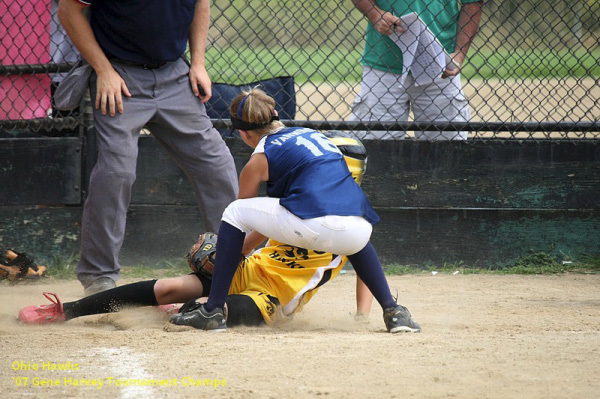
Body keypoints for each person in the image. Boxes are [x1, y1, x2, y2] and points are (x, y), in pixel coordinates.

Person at [17, 133, 393, 330]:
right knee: (168, 287)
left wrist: (363, 316)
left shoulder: (353, 219)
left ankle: (178, 312)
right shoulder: (301, 196)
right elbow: (259, 229)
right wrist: (229, 256)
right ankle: (66, 310)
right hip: (251, 270)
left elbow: (364, 262)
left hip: (273, 298)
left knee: (202, 311)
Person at [170, 88, 421, 333]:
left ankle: (213, 309)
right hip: (360, 228)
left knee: (234, 212)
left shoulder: (258, 159)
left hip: (311, 224)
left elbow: (244, 217)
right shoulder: (314, 136)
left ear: (244, 134)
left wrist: (236, 252)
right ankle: (394, 311)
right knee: (353, 236)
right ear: (276, 113)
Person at [57, 0, 239, 296]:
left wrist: (198, 63)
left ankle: (233, 264)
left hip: (175, 76)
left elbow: (200, 4)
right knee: (116, 172)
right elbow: (68, 11)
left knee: (216, 165)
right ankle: (98, 277)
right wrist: (103, 70)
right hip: (119, 76)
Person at [349, 0, 484, 140]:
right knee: (375, 148)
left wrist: (460, 53)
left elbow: (473, 2)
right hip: (383, 63)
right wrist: (375, 14)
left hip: (440, 64)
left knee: (445, 150)